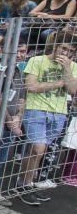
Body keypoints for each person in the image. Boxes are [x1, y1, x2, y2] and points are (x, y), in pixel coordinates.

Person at [18, 28, 77, 204]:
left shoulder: (73, 66)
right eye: (64, 49)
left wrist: (67, 69)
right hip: (36, 109)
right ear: (56, 46)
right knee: (38, 148)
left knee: (36, 152)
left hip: (59, 112)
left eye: (71, 51)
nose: (66, 53)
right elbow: (32, 87)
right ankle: (26, 185)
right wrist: (61, 82)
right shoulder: (37, 60)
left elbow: (73, 90)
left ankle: (23, 183)